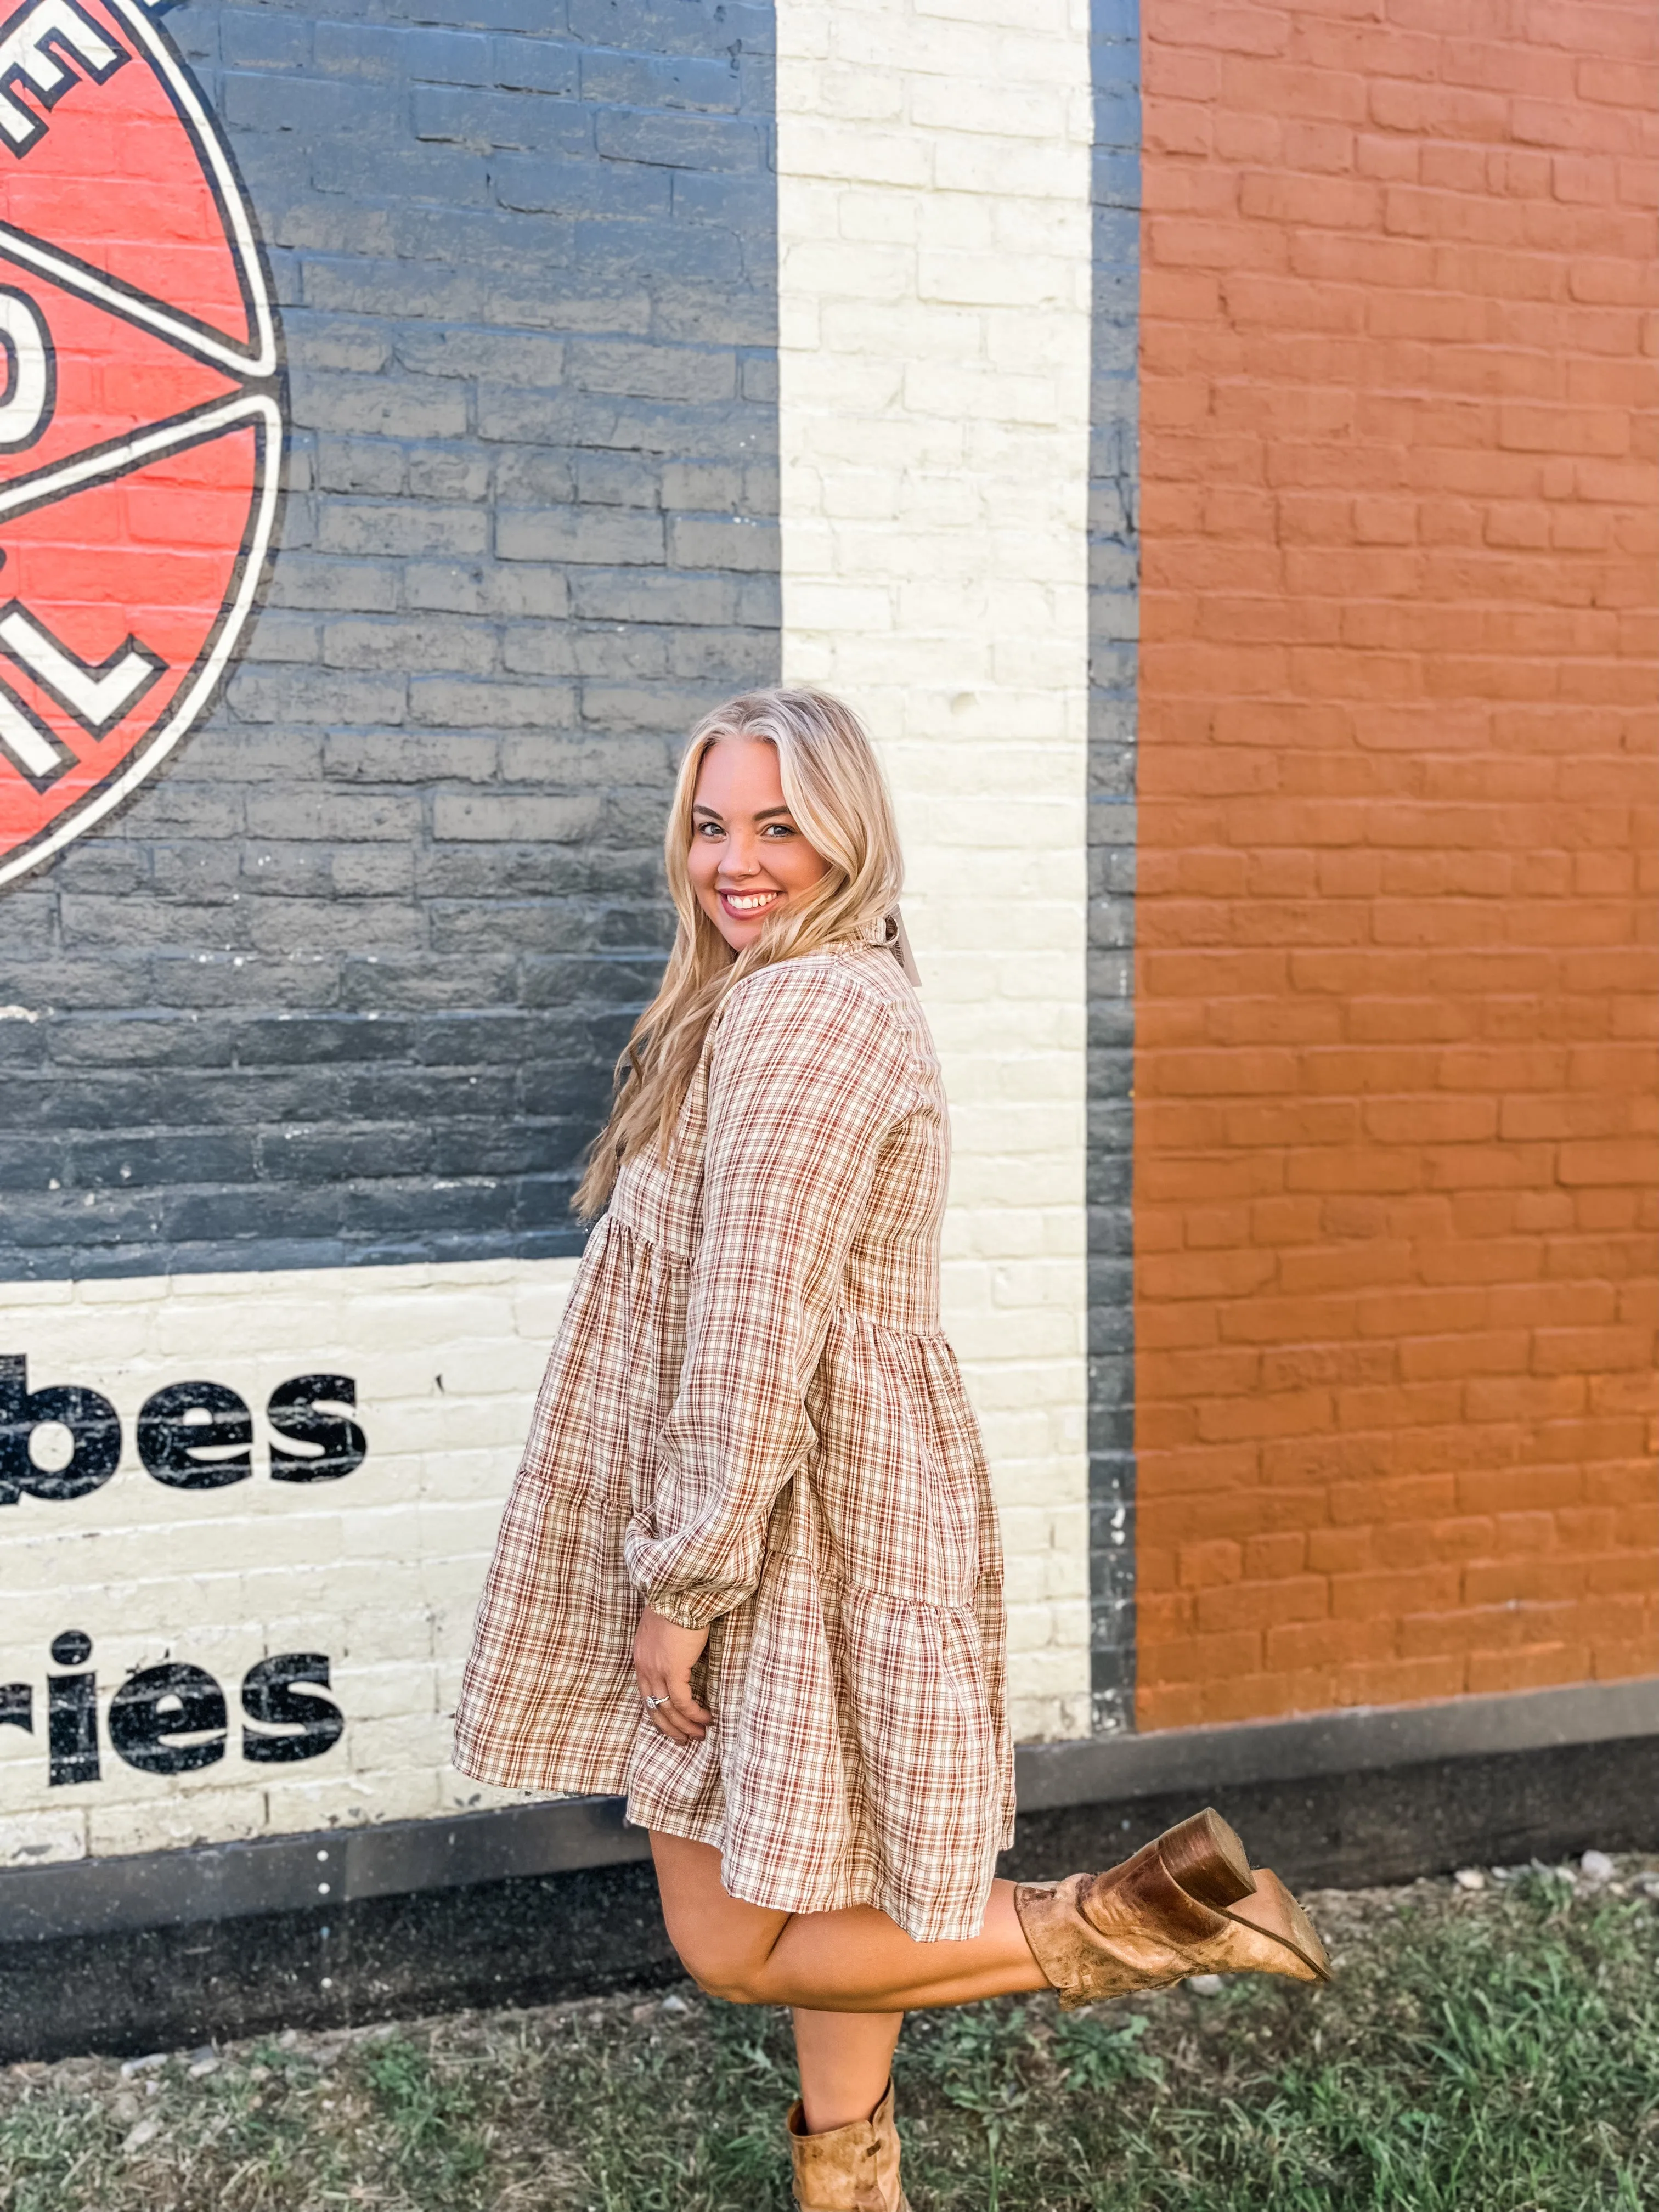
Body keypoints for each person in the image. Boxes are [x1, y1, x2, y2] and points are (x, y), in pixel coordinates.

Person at [453, 689, 1329, 2210]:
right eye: (714, 823)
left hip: (782, 1515)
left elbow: (751, 1325)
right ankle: (853, 2185)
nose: (737, 860)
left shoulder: (803, 1013)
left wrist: (688, 1582)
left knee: (734, 1941)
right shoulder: (804, 992)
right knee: (823, 1878)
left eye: (780, 825)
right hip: (823, 1494)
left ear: (849, 833)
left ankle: (1145, 1918)